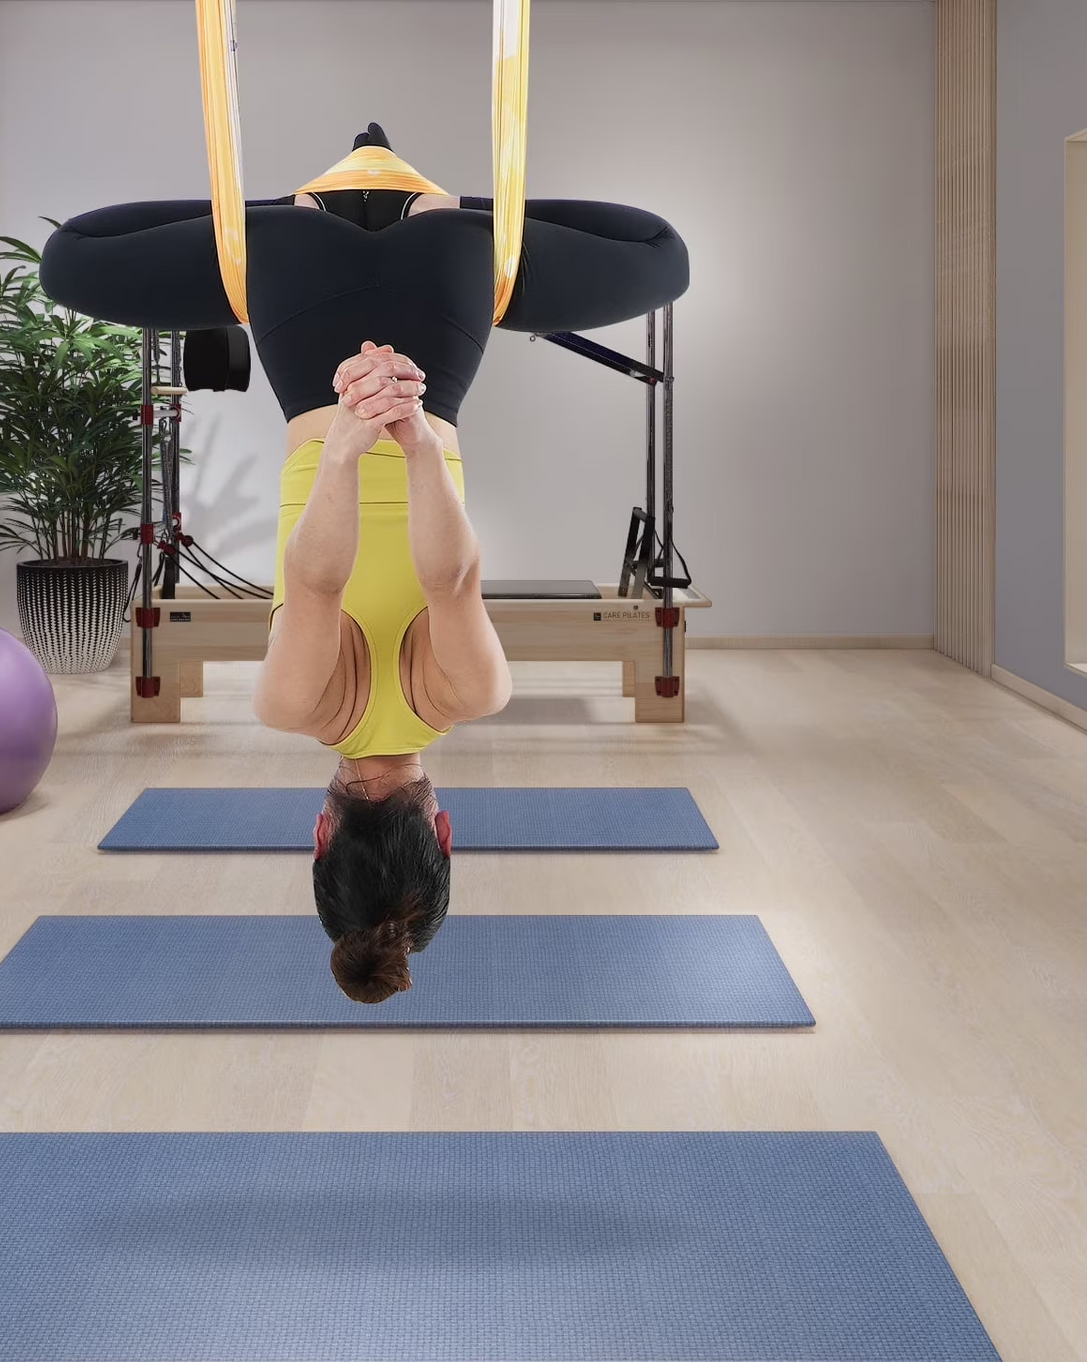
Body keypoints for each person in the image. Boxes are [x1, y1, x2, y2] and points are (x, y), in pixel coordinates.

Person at [39, 124, 690, 1001]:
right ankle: (283, 212)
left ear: (445, 831)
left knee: (663, 253)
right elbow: (315, 582)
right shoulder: (296, 704)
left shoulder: (465, 696)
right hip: (297, 288)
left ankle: (446, 212)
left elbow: (450, 579)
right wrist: (342, 441)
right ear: (320, 834)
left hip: (444, 299)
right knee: (68, 260)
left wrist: (414, 430)